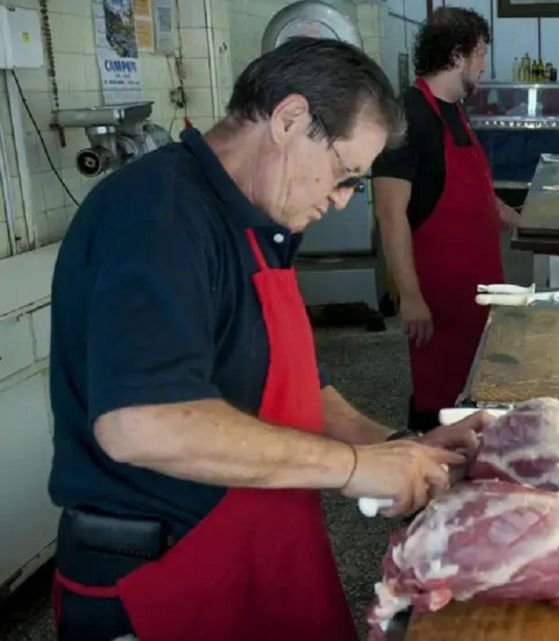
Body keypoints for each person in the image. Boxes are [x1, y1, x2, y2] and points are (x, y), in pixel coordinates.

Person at [47, 37, 490, 641]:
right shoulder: (158, 214)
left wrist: (399, 445)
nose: (339, 203)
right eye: (343, 175)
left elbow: (294, 379)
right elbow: (139, 424)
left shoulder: (259, 219)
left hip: (258, 548)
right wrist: (355, 467)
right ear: (289, 119)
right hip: (164, 579)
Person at [372, 7, 519, 433]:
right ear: (457, 55)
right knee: (439, 407)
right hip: (439, 302)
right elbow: (389, 211)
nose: (483, 64)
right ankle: (426, 488)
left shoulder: (453, 109)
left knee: (473, 399)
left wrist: (509, 215)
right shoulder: (409, 115)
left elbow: (469, 187)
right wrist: (410, 295)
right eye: (479, 53)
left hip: (476, 295)